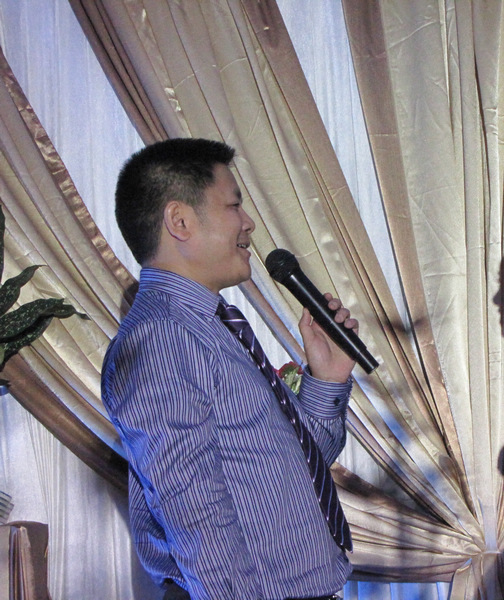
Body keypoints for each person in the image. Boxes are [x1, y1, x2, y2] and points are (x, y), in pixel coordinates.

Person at [102, 138, 357, 600]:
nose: (248, 222)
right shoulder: (163, 337)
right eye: (234, 205)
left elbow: (297, 470)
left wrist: (327, 379)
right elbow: (197, 518)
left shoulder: (211, 327)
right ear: (180, 221)